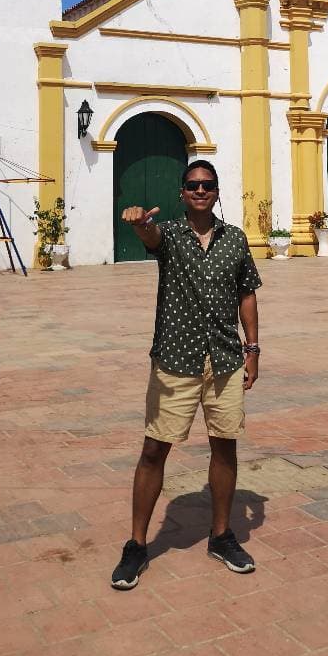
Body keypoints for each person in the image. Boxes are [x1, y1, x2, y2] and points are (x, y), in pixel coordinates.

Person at [110, 159, 262, 590]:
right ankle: (138, 544)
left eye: (207, 185)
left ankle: (221, 535)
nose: (200, 190)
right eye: (192, 185)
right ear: (182, 192)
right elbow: (150, 236)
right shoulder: (172, 235)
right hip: (176, 358)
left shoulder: (235, 239)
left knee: (224, 446)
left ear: (217, 191)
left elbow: (246, 295)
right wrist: (139, 221)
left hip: (225, 360)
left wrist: (253, 349)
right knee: (155, 449)